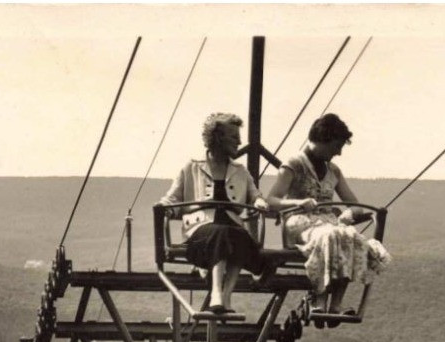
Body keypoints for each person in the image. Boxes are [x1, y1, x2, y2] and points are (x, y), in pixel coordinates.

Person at [264, 113, 391, 318]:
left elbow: (354, 204)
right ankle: (319, 298)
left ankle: (336, 304)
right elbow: (272, 200)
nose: (339, 152)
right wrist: (298, 202)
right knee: (330, 237)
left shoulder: (333, 171)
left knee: (351, 237)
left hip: (328, 223)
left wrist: (349, 213)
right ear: (323, 140)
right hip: (300, 221)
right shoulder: (295, 164)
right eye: (336, 146)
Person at [159, 112, 268, 319]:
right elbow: (171, 198)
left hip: (231, 229)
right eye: (233, 137)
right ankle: (217, 293)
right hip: (201, 230)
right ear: (217, 138)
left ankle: (225, 296)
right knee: (222, 233)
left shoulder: (240, 171)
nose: (240, 142)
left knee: (238, 236)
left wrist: (259, 202)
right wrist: (165, 208)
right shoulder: (192, 168)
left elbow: (255, 196)